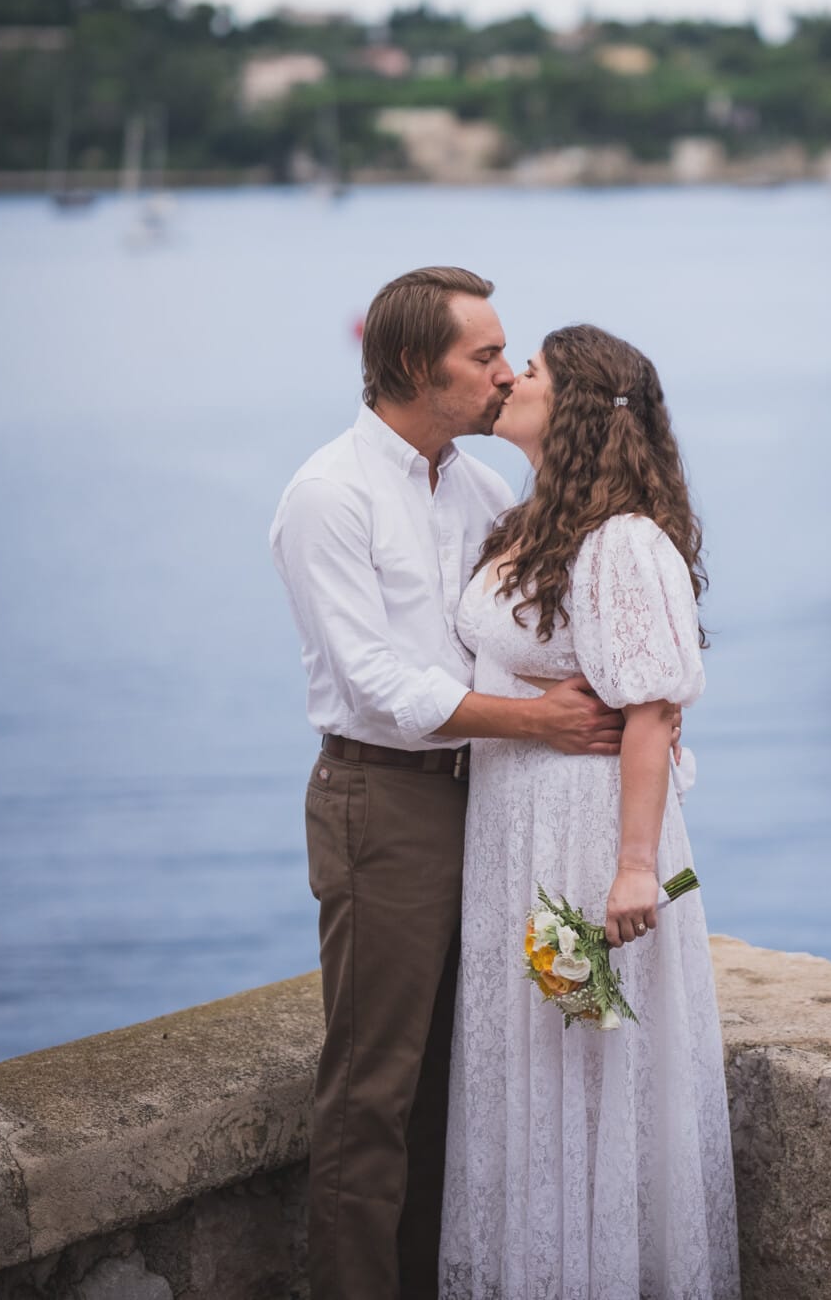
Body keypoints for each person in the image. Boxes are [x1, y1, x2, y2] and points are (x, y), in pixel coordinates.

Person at [270, 268, 639, 1300]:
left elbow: (534, 621)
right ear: (406, 368)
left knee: (460, 1073)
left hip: (487, 800)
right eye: (484, 357)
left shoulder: (477, 487)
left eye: (507, 353)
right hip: (381, 801)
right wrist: (540, 723)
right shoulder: (327, 495)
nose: (507, 373)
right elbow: (376, 685)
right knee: (373, 1088)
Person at [440, 325, 741, 1300]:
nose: (511, 380)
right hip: (513, 831)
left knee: (583, 1063)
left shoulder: (620, 543)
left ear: (570, 408)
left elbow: (650, 711)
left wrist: (632, 868)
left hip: (581, 840)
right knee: (532, 1066)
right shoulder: (527, 520)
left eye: (531, 370)